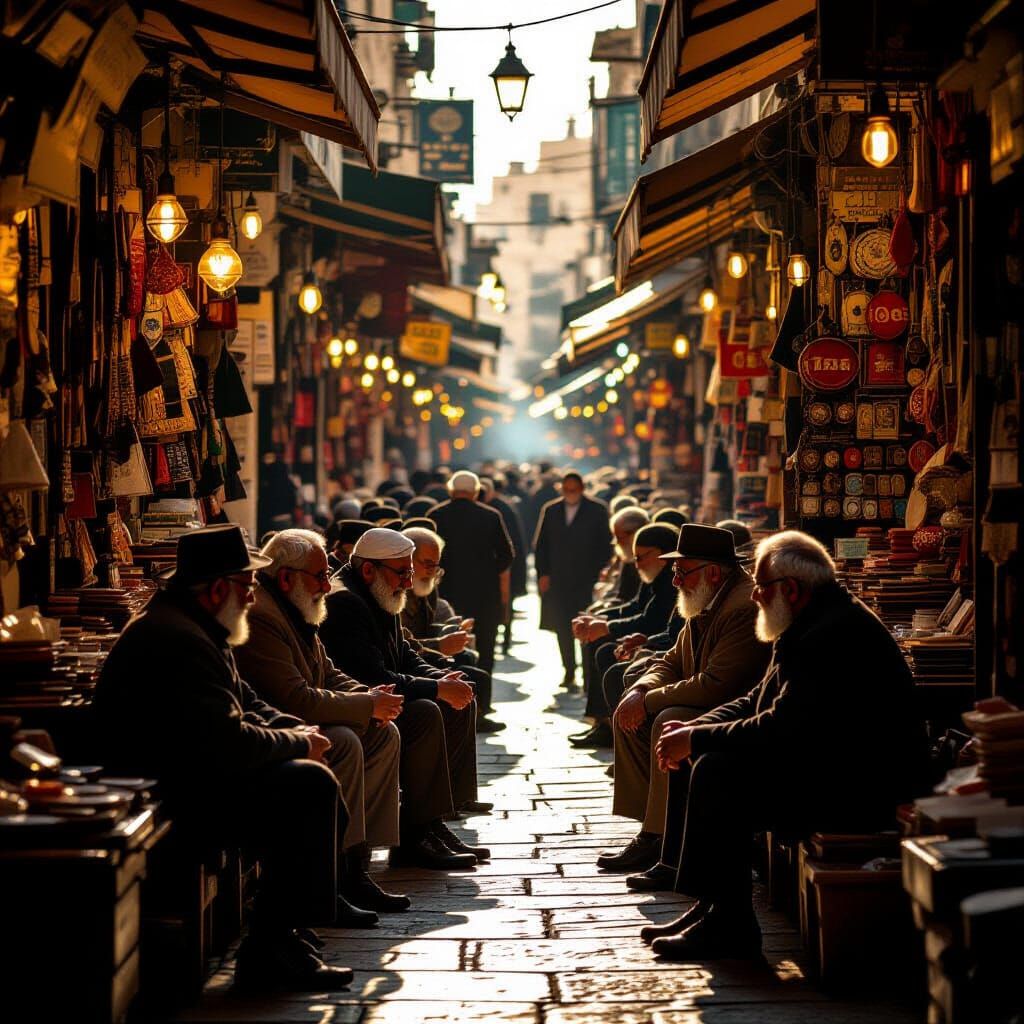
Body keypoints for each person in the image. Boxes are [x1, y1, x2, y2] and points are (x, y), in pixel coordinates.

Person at [645, 530, 930, 960]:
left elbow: (782, 724)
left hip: (862, 787)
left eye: (760, 588)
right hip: (827, 765)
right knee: (704, 758)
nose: (755, 597)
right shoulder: (808, 619)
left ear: (790, 589)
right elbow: (758, 698)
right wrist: (694, 730)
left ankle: (729, 924)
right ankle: (715, 905)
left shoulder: (830, 632)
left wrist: (697, 737)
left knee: (717, 772)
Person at [93, 525, 351, 990]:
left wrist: (296, 730)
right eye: (248, 587)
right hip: (169, 793)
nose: (252, 598)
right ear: (218, 589)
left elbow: (247, 701)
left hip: (192, 776)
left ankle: (285, 929)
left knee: (310, 779)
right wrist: (299, 744)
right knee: (309, 786)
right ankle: (269, 948)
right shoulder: (179, 637)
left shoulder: (198, 624)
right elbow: (227, 741)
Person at [235, 529, 410, 919]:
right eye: (320, 575)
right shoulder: (263, 615)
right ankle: (328, 879)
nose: (327, 585)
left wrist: (371, 699)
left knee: (382, 733)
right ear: (287, 577)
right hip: (276, 733)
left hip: (284, 725)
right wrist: (365, 704)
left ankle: (355, 866)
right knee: (344, 740)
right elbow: (293, 698)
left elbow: (327, 673)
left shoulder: (296, 603)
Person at [596, 525, 770, 878]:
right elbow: (672, 660)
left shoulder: (740, 606)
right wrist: (640, 691)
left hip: (733, 709)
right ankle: (652, 830)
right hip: (711, 701)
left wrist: (649, 702)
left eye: (680, 571)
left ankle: (666, 841)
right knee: (631, 712)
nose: (675, 581)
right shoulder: (707, 595)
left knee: (667, 719)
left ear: (713, 571)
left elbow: (716, 685)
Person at [321, 528, 488, 866]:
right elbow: (372, 675)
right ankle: (413, 835)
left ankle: (433, 820)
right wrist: (436, 688)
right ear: (369, 569)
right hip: (361, 700)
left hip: (383, 693)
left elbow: (405, 652)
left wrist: (441, 677)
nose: (409, 583)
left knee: (457, 701)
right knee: (426, 711)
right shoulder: (346, 602)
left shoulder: (381, 588)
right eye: (403, 573)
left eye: (410, 573)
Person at [571, 523, 680, 746]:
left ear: (662, 554)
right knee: (603, 650)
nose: (637, 563)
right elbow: (636, 606)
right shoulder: (655, 573)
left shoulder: (671, 577)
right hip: (656, 642)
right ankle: (604, 724)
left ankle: (621, 738)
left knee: (612, 662)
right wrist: (602, 618)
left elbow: (653, 620)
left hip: (667, 652)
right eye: (636, 557)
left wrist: (607, 626)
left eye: (642, 557)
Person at [401, 525, 503, 734]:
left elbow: (425, 628)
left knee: (473, 669)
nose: (431, 570)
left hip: (421, 656)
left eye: (436, 565)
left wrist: (449, 631)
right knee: (468, 675)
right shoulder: (398, 590)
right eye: (427, 563)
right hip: (408, 664)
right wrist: (439, 644)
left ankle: (476, 716)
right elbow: (402, 641)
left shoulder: (427, 584)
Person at [428, 471, 515, 681]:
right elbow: (507, 554)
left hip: (446, 591)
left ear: (451, 490)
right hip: (485, 592)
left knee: (448, 641)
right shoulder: (491, 515)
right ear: (476, 492)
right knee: (486, 644)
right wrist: (489, 572)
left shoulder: (435, 515)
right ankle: (483, 697)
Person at [533, 471, 610, 687]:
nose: (570, 494)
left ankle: (588, 675)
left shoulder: (597, 510)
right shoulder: (551, 510)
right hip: (558, 579)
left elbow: (605, 545)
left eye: (574, 490)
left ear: (582, 489)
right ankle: (568, 670)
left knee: (587, 626)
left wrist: (602, 574)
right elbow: (541, 545)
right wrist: (543, 573)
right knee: (562, 626)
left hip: (587, 579)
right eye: (566, 490)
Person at [480, 475, 528, 654]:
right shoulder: (498, 509)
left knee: (505, 603)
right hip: (496, 566)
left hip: (502, 567)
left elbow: (513, 543)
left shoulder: (502, 510)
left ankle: (505, 639)